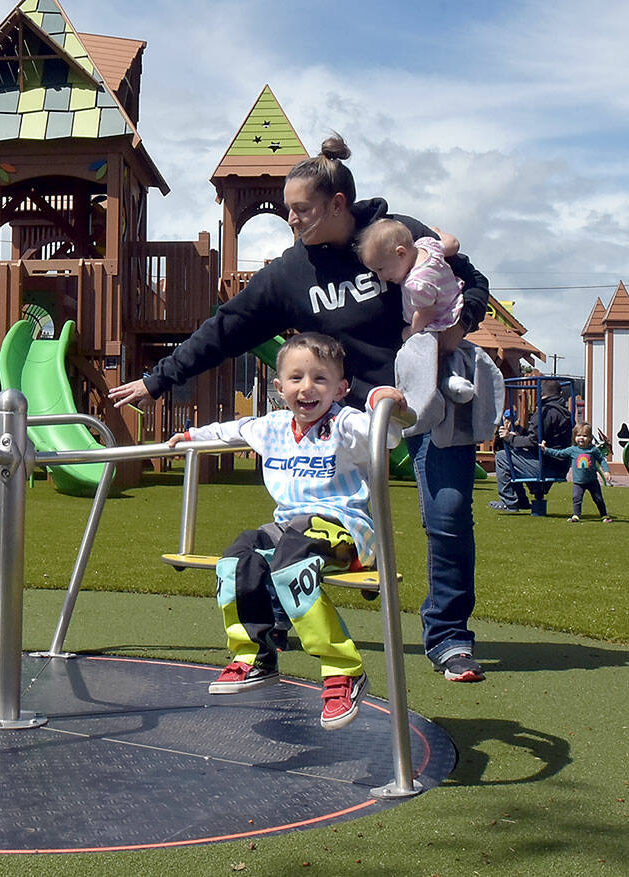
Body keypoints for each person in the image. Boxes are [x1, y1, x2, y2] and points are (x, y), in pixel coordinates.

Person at [110, 135, 493, 683]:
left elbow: (469, 280)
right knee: (301, 516)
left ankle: (449, 637)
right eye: (288, 209)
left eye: (301, 209)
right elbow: (225, 329)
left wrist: (460, 323)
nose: (290, 219)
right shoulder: (290, 275)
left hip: (430, 395)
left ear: (337, 204)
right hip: (358, 413)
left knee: (449, 512)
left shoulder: (394, 234)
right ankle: (277, 619)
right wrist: (157, 380)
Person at [168, 333, 405, 728]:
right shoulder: (273, 427)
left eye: (320, 379)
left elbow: (387, 435)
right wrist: (192, 436)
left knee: (291, 561)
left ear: (341, 388)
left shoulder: (344, 424)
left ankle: (343, 669)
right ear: (279, 388)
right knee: (236, 558)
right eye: (296, 378)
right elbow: (233, 430)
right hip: (288, 528)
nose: (306, 388)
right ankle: (255, 654)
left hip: (342, 526)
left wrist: (386, 404)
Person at [356, 218, 474, 428]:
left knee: (417, 353)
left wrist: (411, 331)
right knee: (451, 351)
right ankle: (455, 377)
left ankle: (437, 388)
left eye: (381, 269)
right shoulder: (426, 246)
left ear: (400, 253)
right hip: (454, 300)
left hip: (438, 319)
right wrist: (437, 231)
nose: (381, 277)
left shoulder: (415, 283)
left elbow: (425, 312)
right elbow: (453, 244)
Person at [489, 379, 573, 511]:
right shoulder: (565, 412)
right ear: (560, 393)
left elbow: (534, 441)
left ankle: (510, 501)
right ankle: (521, 500)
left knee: (502, 457)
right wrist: (517, 436)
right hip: (561, 465)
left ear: (541, 393)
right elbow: (541, 438)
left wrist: (509, 438)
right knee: (514, 454)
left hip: (546, 465)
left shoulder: (545, 412)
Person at [541, 423, 612, 523]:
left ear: (590, 438)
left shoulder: (593, 450)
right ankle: (576, 515)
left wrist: (606, 471)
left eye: (584, 436)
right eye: (578, 435)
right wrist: (546, 450)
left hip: (592, 481)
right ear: (574, 437)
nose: (581, 438)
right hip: (578, 482)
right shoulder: (572, 450)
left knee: (598, 498)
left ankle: (604, 515)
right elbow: (559, 454)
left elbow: (602, 460)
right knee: (577, 498)